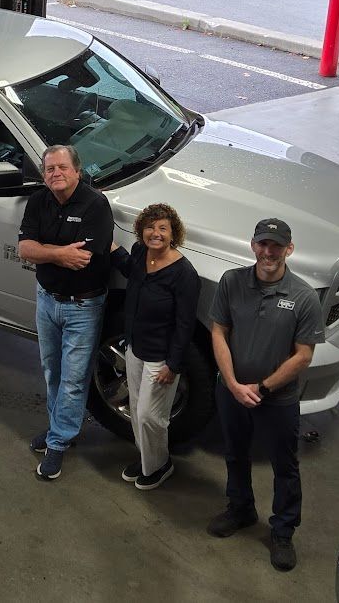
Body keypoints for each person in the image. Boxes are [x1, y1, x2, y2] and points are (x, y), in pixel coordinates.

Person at [207, 218, 325, 573]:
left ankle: (283, 531)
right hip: (231, 390)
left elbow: (303, 355)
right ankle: (240, 509)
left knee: (284, 466)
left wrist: (261, 388)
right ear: (253, 245)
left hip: (276, 399)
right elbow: (218, 332)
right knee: (235, 453)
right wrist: (231, 382)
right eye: (263, 244)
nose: (268, 252)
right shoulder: (232, 282)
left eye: (276, 246)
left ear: (289, 249)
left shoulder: (303, 297)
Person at [17, 144, 114, 481]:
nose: (55, 174)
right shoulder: (38, 201)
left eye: (62, 167)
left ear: (77, 170)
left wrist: (44, 251)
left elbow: (83, 258)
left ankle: (58, 442)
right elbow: (24, 249)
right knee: (52, 372)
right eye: (49, 169)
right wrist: (58, 254)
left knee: (73, 381)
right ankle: (59, 428)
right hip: (47, 300)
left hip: (82, 307)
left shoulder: (95, 205)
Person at [109, 203, 200, 491]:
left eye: (163, 228)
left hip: (161, 358)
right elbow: (131, 272)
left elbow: (185, 325)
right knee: (136, 409)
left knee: (152, 415)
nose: (155, 233)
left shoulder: (184, 274)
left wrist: (173, 365)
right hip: (135, 348)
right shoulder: (140, 254)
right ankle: (147, 459)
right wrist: (107, 242)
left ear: (174, 234)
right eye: (149, 227)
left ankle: (161, 464)